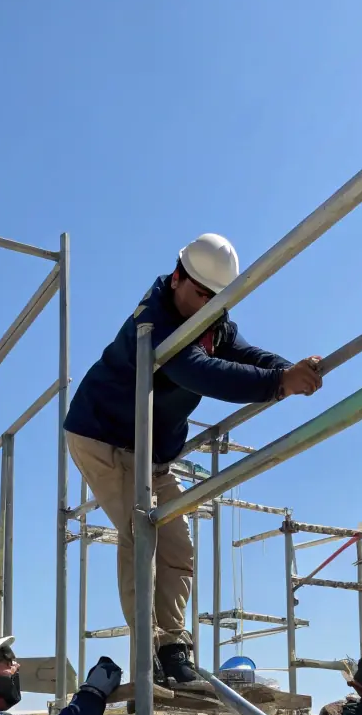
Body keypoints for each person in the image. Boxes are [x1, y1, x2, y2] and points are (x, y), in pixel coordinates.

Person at [64, 233, 323, 689]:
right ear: (178, 277)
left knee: (178, 545)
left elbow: (243, 353)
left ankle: (174, 648)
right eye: (200, 294)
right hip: (101, 436)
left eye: (216, 299)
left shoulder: (214, 318)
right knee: (139, 531)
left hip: (151, 452)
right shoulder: (155, 319)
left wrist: (287, 368)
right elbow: (197, 370)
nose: (207, 305)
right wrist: (278, 383)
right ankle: (150, 650)